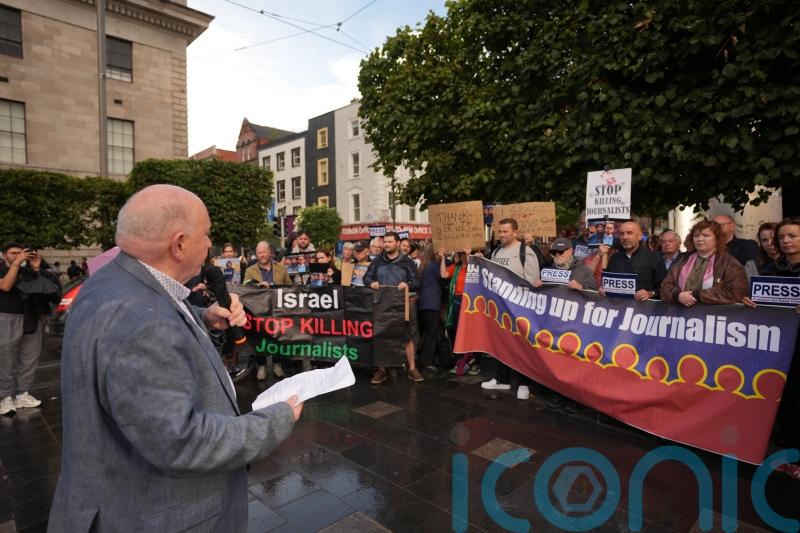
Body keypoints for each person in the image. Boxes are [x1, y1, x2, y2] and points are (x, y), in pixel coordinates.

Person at [48, 185, 303, 531]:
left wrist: (204, 317)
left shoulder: (114, 283)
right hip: (155, 514)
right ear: (179, 244)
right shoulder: (140, 317)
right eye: (207, 233)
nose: (211, 244)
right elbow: (182, 441)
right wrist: (277, 419)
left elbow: (160, 329)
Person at [743, 217, 800, 480]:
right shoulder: (772, 271)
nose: (786, 242)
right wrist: (749, 300)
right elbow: (760, 299)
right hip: (779, 347)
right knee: (784, 403)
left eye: (792, 236)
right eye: (782, 238)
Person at [481, 218, 540, 400]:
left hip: (520, 307)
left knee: (522, 346)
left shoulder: (525, 251)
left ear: (515, 232)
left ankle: (524, 383)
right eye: (500, 231)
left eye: (505, 231)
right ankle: (502, 379)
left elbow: (533, 282)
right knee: (501, 343)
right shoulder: (496, 251)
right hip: (500, 307)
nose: (502, 235)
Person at [0, 245, 60, 415]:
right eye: (13, 253)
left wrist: (35, 268)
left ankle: (22, 394)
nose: (18, 255)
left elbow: (47, 289)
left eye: (20, 253)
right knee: (6, 358)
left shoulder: (30, 271)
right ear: (4, 255)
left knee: (29, 357)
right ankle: (4, 397)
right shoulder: (2, 268)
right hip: (7, 318)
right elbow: (5, 286)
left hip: (32, 317)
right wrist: (16, 265)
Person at [363, 232, 423, 383]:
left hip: (402, 305)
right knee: (381, 335)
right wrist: (371, 283)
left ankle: (412, 368)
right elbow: (366, 278)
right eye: (385, 242)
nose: (387, 244)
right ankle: (381, 370)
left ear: (397, 243)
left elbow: (416, 282)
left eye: (390, 242)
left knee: (407, 335)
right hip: (381, 304)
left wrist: (407, 284)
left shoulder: (407, 262)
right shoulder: (377, 261)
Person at [660, 220, 748, 306]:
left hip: (714, 317)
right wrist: (677, 295)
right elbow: (664, 287)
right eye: (696, 235)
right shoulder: (683, 261)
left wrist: (697, 295)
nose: (700, 239)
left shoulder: (730, 264)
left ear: (717, 239)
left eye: (706, 235)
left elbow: (736, 293)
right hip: (683, 317)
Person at [243, 241, 292, 381]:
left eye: (264, 252)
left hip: (278, 309)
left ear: (269, 252)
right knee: (260, 338)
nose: (262, 255)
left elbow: (289, 286)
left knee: (277, 337)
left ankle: (277, 364)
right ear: (256, 254)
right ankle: (262, 366)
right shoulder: (250, 270)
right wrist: (258, 285)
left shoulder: (281, 268)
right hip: (259, 310)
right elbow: (245, 287)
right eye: (259, 253)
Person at [604, 220, 666, 301]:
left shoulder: (655, 258)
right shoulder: (614, 259)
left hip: (643, 311)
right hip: (617, 310)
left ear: (639, 236)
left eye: (629, 233)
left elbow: (664, 288)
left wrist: (650, 293)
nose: (625, 237)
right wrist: (603, 289)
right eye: (622, 234)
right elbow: (606, 284)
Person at [441, 248, 478, 376]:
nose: (463, 256)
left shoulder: (474, 267)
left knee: (471, 332)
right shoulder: (455, 268)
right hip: (456, 302)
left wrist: (469, 255)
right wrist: (442, 258)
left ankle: (473, 361)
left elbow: (475, 276)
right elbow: (444, 275)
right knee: (457, 331)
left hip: (471, 302)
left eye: (465, 254)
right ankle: (461, 361)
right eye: (461, 254)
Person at [416, 244, 444, 372]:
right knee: (431, 334)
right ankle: (427, 362)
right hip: (432, 303)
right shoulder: (433, 265)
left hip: (423, 303)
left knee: (428, 332)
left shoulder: (423, 265)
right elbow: (444, 277)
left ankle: (424, 360)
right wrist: (443, 259)